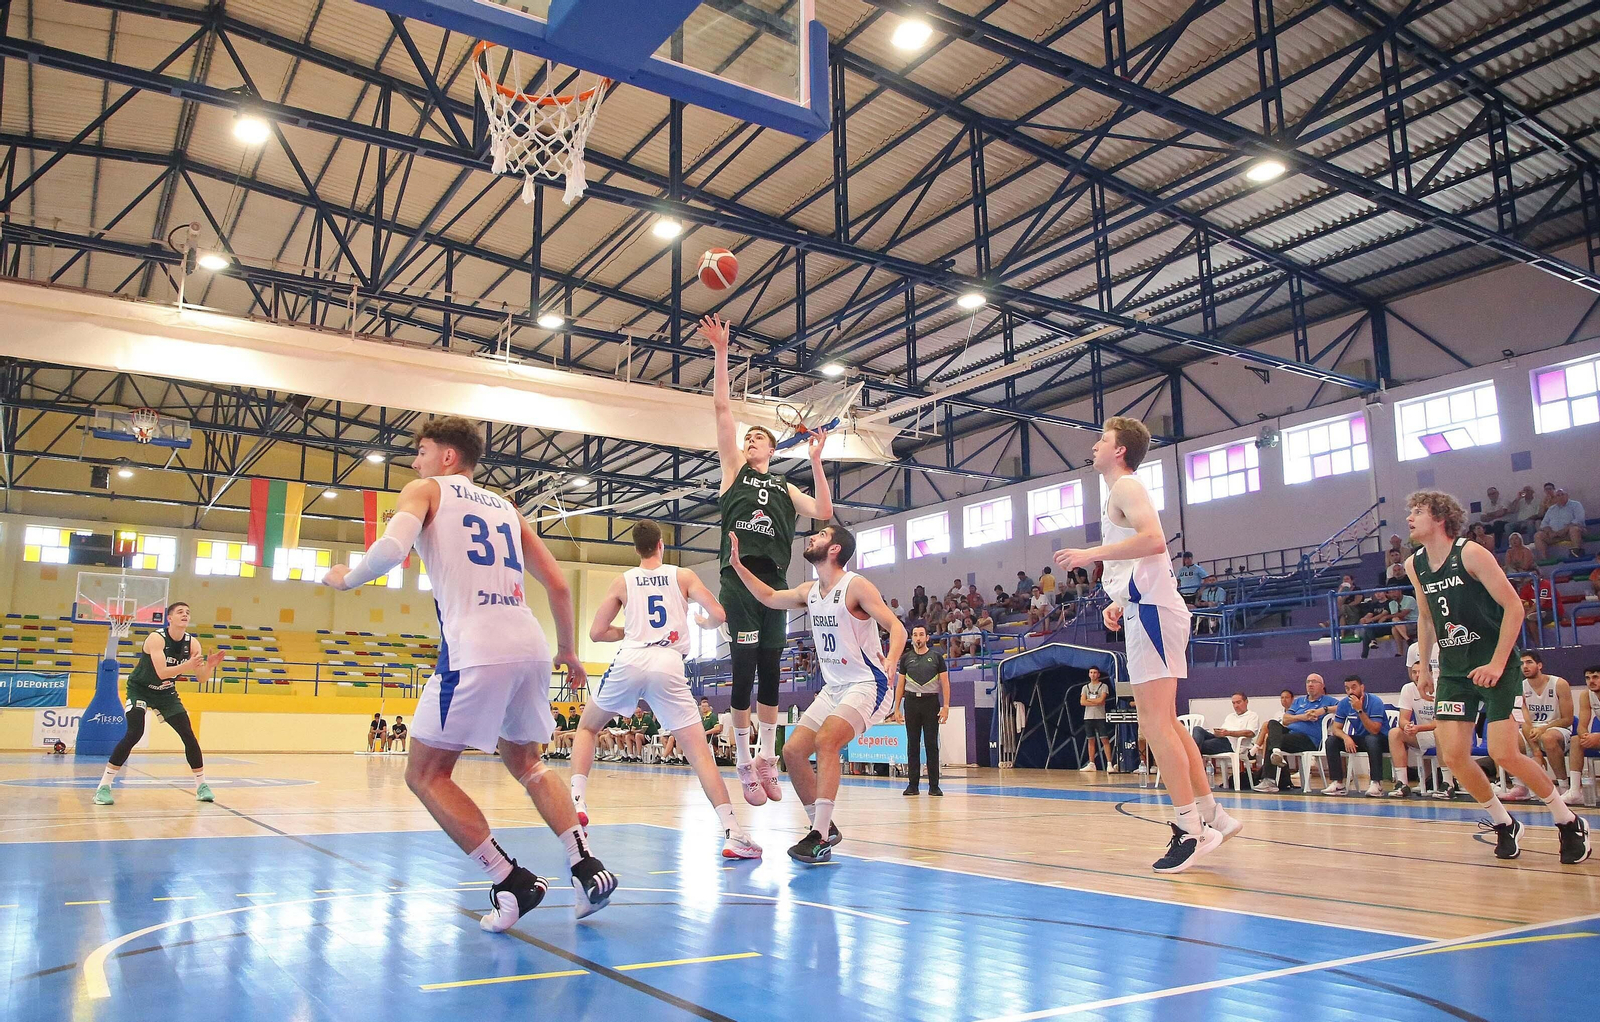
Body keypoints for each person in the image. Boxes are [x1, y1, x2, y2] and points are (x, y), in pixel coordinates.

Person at [322, 415, 616, 927]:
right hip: (529, 643)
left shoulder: (425, 490)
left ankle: (510, 880)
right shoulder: (507, 508)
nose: (415, 462)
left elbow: (390, 549)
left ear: (447, 456)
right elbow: (558, 586)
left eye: (421, 451)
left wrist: (346, 579)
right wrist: (568, 651)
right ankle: (586, 866)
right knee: (529, 764)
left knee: (425, 774)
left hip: (476, 646)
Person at [1054, 416, 1240, 873]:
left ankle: (1191, 829)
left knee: (1155, 726)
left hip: (1155, 612)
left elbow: (1155, 541)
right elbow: (1141, 558)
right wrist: (1119, 600)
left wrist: (1090, 555)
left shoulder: (1126, 486)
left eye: (1102, 440)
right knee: (1168, 723)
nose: (1094, 446)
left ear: (1119, 450)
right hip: (1149, 608)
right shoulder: (1119, 492)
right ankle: (1212, 814)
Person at [1403, 489, 1589, 863]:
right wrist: (1425, 667)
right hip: (1454, 671)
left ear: (1440, 517)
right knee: (1454, 756)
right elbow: (1425, 617)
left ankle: (1567, 820)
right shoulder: (1414, 564)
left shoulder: (1470, 553)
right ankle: (1504, 822)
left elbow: (1514, 608)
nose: (1410, 517)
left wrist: (1497, 663)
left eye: (1418, 511)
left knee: (1503, 752)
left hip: (1497, 666)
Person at [701, 314, 834, 809]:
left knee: (772, 668)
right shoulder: (733, 470)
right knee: (743, 667)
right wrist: (721, 352)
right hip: (739, 578)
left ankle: (767, 758)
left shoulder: (784, 486)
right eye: (748, 438)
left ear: (773, 449)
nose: (749, 442)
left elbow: (824, 511)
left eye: (757, 439)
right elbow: (722, 410)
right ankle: (742, 760)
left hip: (775, 583)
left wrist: (816, 462)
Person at [573, 520, 760, 859]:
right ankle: (733, 832)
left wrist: (629, 631)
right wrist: (705, 623)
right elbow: (719, 614)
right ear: (661, 545)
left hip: (631, 658)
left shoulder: (623, 581)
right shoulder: (682, 576)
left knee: (587, 728)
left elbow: (597, 633)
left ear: (636, 549)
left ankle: (577, 803)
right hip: (668, 662)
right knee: (699, 753)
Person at [729, 524, 906, 864]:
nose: (812, 537)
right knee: (793, 751)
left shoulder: (856, 586)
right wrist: (737, 565)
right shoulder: (810, 591)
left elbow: (896, 627)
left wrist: (893, 659)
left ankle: (820, 837)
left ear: (836, 549)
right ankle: (823, 826)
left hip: (868, 683)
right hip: (834, 687)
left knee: (827, 741)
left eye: (822, 535)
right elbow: (768, 597)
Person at [94, 600, 225, 806]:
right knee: (135, 732)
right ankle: (104, 787)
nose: (185, 614)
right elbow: (162, 672)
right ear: (169, 618)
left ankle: (202, 786)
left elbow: (201, 678)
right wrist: (187, 665)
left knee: (188, 734)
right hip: (140, 689)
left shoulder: (193, 644)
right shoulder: (156, 638)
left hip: (165, 693)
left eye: (187, 612)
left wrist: (209, 666)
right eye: (180, 612)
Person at [1254, 674, 1339, 793]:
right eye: (1308, 682)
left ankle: (1269, 780)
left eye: (1314, 682)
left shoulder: (1328, 700)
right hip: (1291, 734)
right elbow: (1285, 719)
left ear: (1322, 686)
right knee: (1272, 723)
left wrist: (1323, 710)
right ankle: (1276, 752)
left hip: (1309, 739)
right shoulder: (1299, 701)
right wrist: (1304, 717)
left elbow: (1345, 707)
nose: (1310, 684)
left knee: (1271, 740)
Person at [891, 625, 948, 796]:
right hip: (911, 703)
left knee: (931, 745)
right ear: (912, 638)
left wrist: (946, 707)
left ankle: (934, 786)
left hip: (931, 703)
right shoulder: (906, 658)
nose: (918, 638)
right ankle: (913, 785)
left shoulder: (937, 657)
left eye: (921, 634)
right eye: (915, 635)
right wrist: (896, 708)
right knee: (912, 744)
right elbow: (900, 684)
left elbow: (945, 683)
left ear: (927, 638)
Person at [1321, 675, 1389, 797]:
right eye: (1347, 688)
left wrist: (1359, 710)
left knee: (1371, 739)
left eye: (1354, 687)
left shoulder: (1375, 701)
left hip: (1381, 739)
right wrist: (1346, 738)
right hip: (1362, 739)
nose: (1350, 691)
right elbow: (1336, 728)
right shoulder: (1344, 703)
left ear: (1362, 687)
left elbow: (1374, 730)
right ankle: (1338, 783)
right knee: (1331, 741)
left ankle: (1376, 783)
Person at [1518, 650, 1574, 793]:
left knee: (1548, 738)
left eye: (1529, 662)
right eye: (1522, 663)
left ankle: (1563, 787)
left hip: (1558, 728)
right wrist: (1536, 751)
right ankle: (1519, 786)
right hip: (1532, 730)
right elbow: (1525, 722)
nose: (1525, 666)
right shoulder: (1520, 687)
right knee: (1510, 738)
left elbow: (1567, 719)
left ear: (1539, 665)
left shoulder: (1559, 684)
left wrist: (1543, 729)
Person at [1388, 645, 1439, 798]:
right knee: (1395, 733)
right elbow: (1403, 718)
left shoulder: (1440, 687)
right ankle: (1402, 784)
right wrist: (1407, 726)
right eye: (1414, 672)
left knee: (1439, 732)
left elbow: (1440, 723)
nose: (1417, 675)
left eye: (1420, 672)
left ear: (1430, 673)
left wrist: (1418, 728)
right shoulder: (1408, 688)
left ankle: (1447, 784)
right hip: (1423, 733)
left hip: (1444, 734)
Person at [1189, 692, 1259, 789]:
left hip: (1233, 745)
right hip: (1221, 739)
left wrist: (1229, 733)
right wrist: (1218, 732)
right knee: (1197, 729)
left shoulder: (1252, 716)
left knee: (1199, 744)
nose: (1236, 706)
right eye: (1233, 703)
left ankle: (1192, 760)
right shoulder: (1230, 716)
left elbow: (1250, 733)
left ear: (1246, 702)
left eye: (1238, 702)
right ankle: (1194, 757)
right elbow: (1223, 732)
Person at [1565, 665, 1600, 805]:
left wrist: (1597, 736)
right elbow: (1582, 726)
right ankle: (1574, 791)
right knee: (1576, 740)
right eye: (1588, 678)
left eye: (1595, 677)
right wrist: (1586, 736)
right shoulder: (1586, 695)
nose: (1591, 681)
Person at [1535, 488, 1588, 559]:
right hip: (1554, 535)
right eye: (1558, 495)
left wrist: (1564, 530)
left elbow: (1579, 520)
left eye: (1562, 494)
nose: (1560, 497)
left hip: (1570, 533)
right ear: (1555, 498)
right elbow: (1544, 524)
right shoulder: (1551, 509)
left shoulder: (1576, 505)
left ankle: (1576, 553)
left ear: (1567, 495)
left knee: (1574, 529)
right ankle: (1544, 559)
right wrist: (1550, 532)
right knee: (1538, 535)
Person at [1079, 666, 1114, 772]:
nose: (1093, 674)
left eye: (1095, 672)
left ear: (1098, 674)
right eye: (1091, 672)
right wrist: (1095, 701)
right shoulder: (1085, 687)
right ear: (1089, 674)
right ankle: (1091, 763)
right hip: (1088, 717)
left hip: (1100, 716)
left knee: (1104, 739)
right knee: (1090, 740)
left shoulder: (1103, 686)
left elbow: (1101, 700)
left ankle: (1109, 763)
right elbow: (1082, 702)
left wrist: (1089, 700)